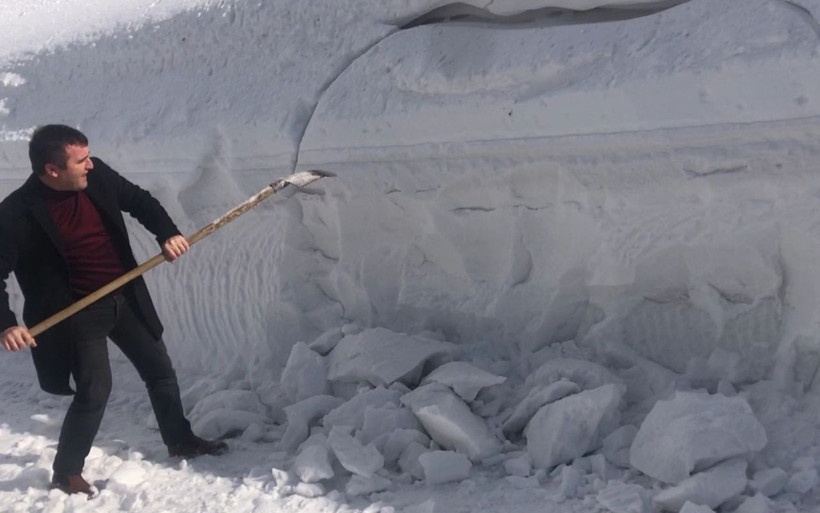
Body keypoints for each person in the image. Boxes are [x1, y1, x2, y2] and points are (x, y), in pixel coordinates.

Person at [0, 124, 227, 497]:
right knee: (95, 390)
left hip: (125, 295)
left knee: (160, 372)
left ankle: (180, 440)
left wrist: (167, 233)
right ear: (52, 170)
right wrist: (6, 325)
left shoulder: (98, 174)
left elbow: (140, 201)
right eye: (80, 160)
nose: (90, 164)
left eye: (89, 155)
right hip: (76, 313)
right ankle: (66, 472)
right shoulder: (16, 213)